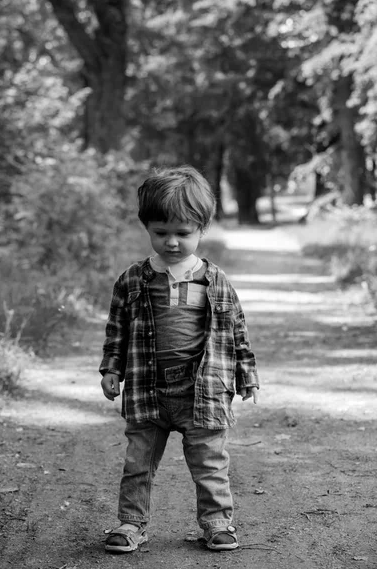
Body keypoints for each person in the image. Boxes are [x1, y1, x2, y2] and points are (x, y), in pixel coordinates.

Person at [100, 165, 259, 553]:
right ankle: (130, 523)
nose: (172, 243)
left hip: (202, 391)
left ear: (202, 228)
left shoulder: (215, 280)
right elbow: (116, 328)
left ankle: (218, 523)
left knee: (209, 465)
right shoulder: (133, 280)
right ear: (147, 228)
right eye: (161, 232)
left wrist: (247, 375)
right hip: (146, 390)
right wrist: (111, 368)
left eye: (183, 233)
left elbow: (237, 329)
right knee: (137, 464)